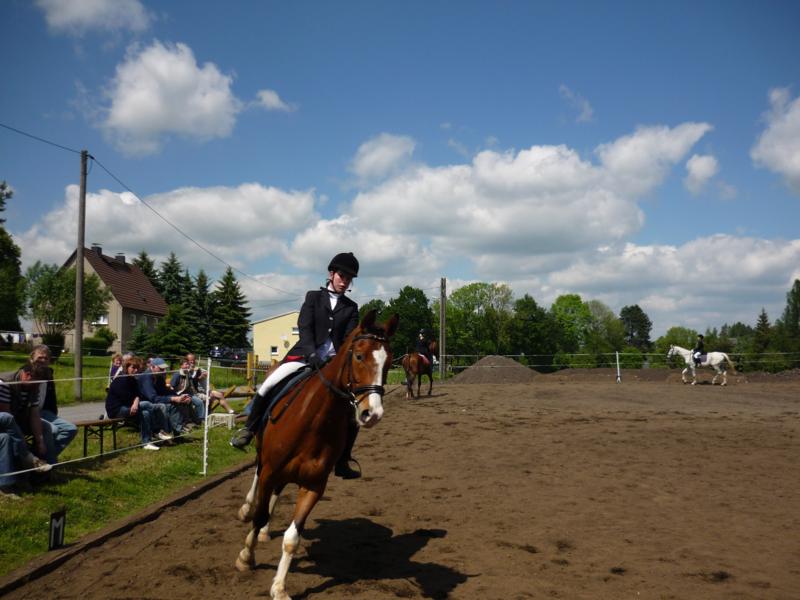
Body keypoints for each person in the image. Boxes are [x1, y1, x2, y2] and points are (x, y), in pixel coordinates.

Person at [230, 252, 363, 479]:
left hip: (333, 365)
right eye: (342, 276)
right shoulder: (313, 297)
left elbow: (348, 339)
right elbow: (305, 327)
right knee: (269, 383)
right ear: (331, 274)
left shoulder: (351, 307)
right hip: (304, 356)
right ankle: (249, 429)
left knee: (353, 408)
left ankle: (343, 460)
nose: (345, 281)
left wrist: (338, 361)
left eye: (349, 279)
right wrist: (311, 354)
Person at [105, 357, 172, 451]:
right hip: (117, 410)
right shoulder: (120, 380)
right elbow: (126, 399)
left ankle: (146, 442)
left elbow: (137, 394)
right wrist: (135, 402)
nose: (135, 370)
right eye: (133, 367)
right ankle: (157, 431)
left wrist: (136, 402)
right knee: (147, 405)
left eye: (137, 368)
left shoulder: (133, 380)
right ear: (127, 367)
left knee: (146, 413)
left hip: (129, 406)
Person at [29, 345, 78, 462]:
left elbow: (51, 398)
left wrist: (53, 413)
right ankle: (50, 463)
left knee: (71, 429)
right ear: (31, 358)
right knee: (53, 430)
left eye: (46, 358)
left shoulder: (49, 374)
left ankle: (38, 457)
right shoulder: (26, 374)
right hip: (29, 414)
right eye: (40, 357)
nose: (43, 360)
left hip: (44, 412)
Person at [0, 363, 54, 467]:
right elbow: (6, 413)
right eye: (37, 382)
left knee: (46, 427)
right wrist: (20, 436)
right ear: (27, 375)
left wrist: (40, 441)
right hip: (6, 423)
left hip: (18, 419)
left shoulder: (34, 386)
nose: (38, 386)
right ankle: (29, 461)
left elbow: (34, 414)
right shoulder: (5, 383)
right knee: (8, 431)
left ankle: (49, 466)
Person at [137, 358, 193, 435]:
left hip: (156, 399)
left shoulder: (158, 375)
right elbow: (153, 398)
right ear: (152, 367)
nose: (164, 371)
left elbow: (165, 390)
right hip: (145, 402)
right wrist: (173, 398)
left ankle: (178, 429)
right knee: (168, 406)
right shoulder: (146, 377)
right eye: (161, 369)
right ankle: (168, 431)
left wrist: (180, 397)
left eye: (164, 369)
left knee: (179, 403)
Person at [169, 358, 208, 423]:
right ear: (181, 366)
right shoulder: (177, 375)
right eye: (185, 364)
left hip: (188, 393)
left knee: (199, 402)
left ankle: (201, 419)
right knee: (188, 402)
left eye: (188, 364)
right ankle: (190, 420)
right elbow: (172, 387)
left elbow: (191, 384)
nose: (187, 366)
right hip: (177, 394)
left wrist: (193, 393)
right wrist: (178, 396)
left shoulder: (188, 374)